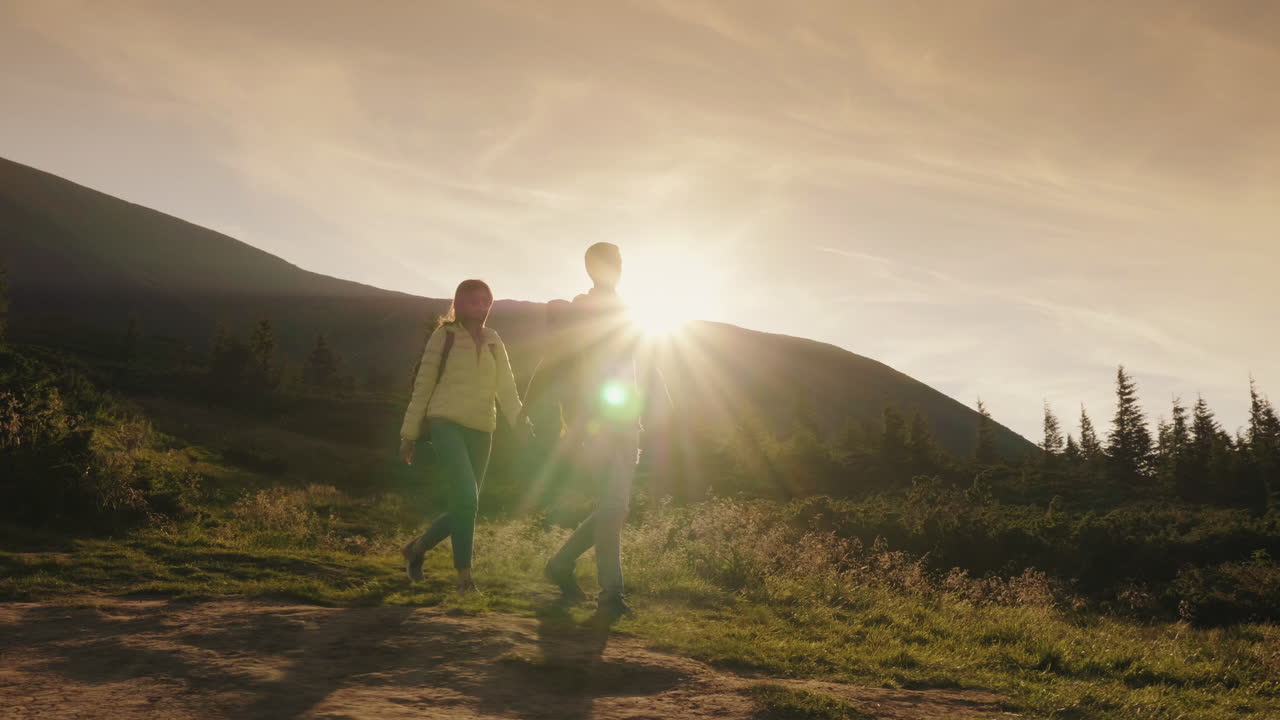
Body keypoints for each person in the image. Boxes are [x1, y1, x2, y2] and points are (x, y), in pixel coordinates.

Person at [533, 242, 647, 619]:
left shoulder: (629, 310)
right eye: (603, 263)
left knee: (614, 508)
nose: (612, 268)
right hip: (597, 422)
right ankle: (611, 594)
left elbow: (632, 367)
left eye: (616, 261)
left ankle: (561, 565)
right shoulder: (582, 306)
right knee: (613, 507)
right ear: (588, 267)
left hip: (628, 419)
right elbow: (569, 364)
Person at [398, 279, 531, 594]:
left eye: (487, 298)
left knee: (465, 504)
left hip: (483, 428)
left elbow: (507, 388)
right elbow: (423, 386)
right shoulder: (443, 336)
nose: (481, 302)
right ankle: (464, 580)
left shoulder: (494, 340)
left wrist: (521, 422)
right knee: (467, 500)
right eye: (474, 297)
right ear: (459, 302)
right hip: (445, 422)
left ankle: (416, 549)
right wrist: (409, 434)